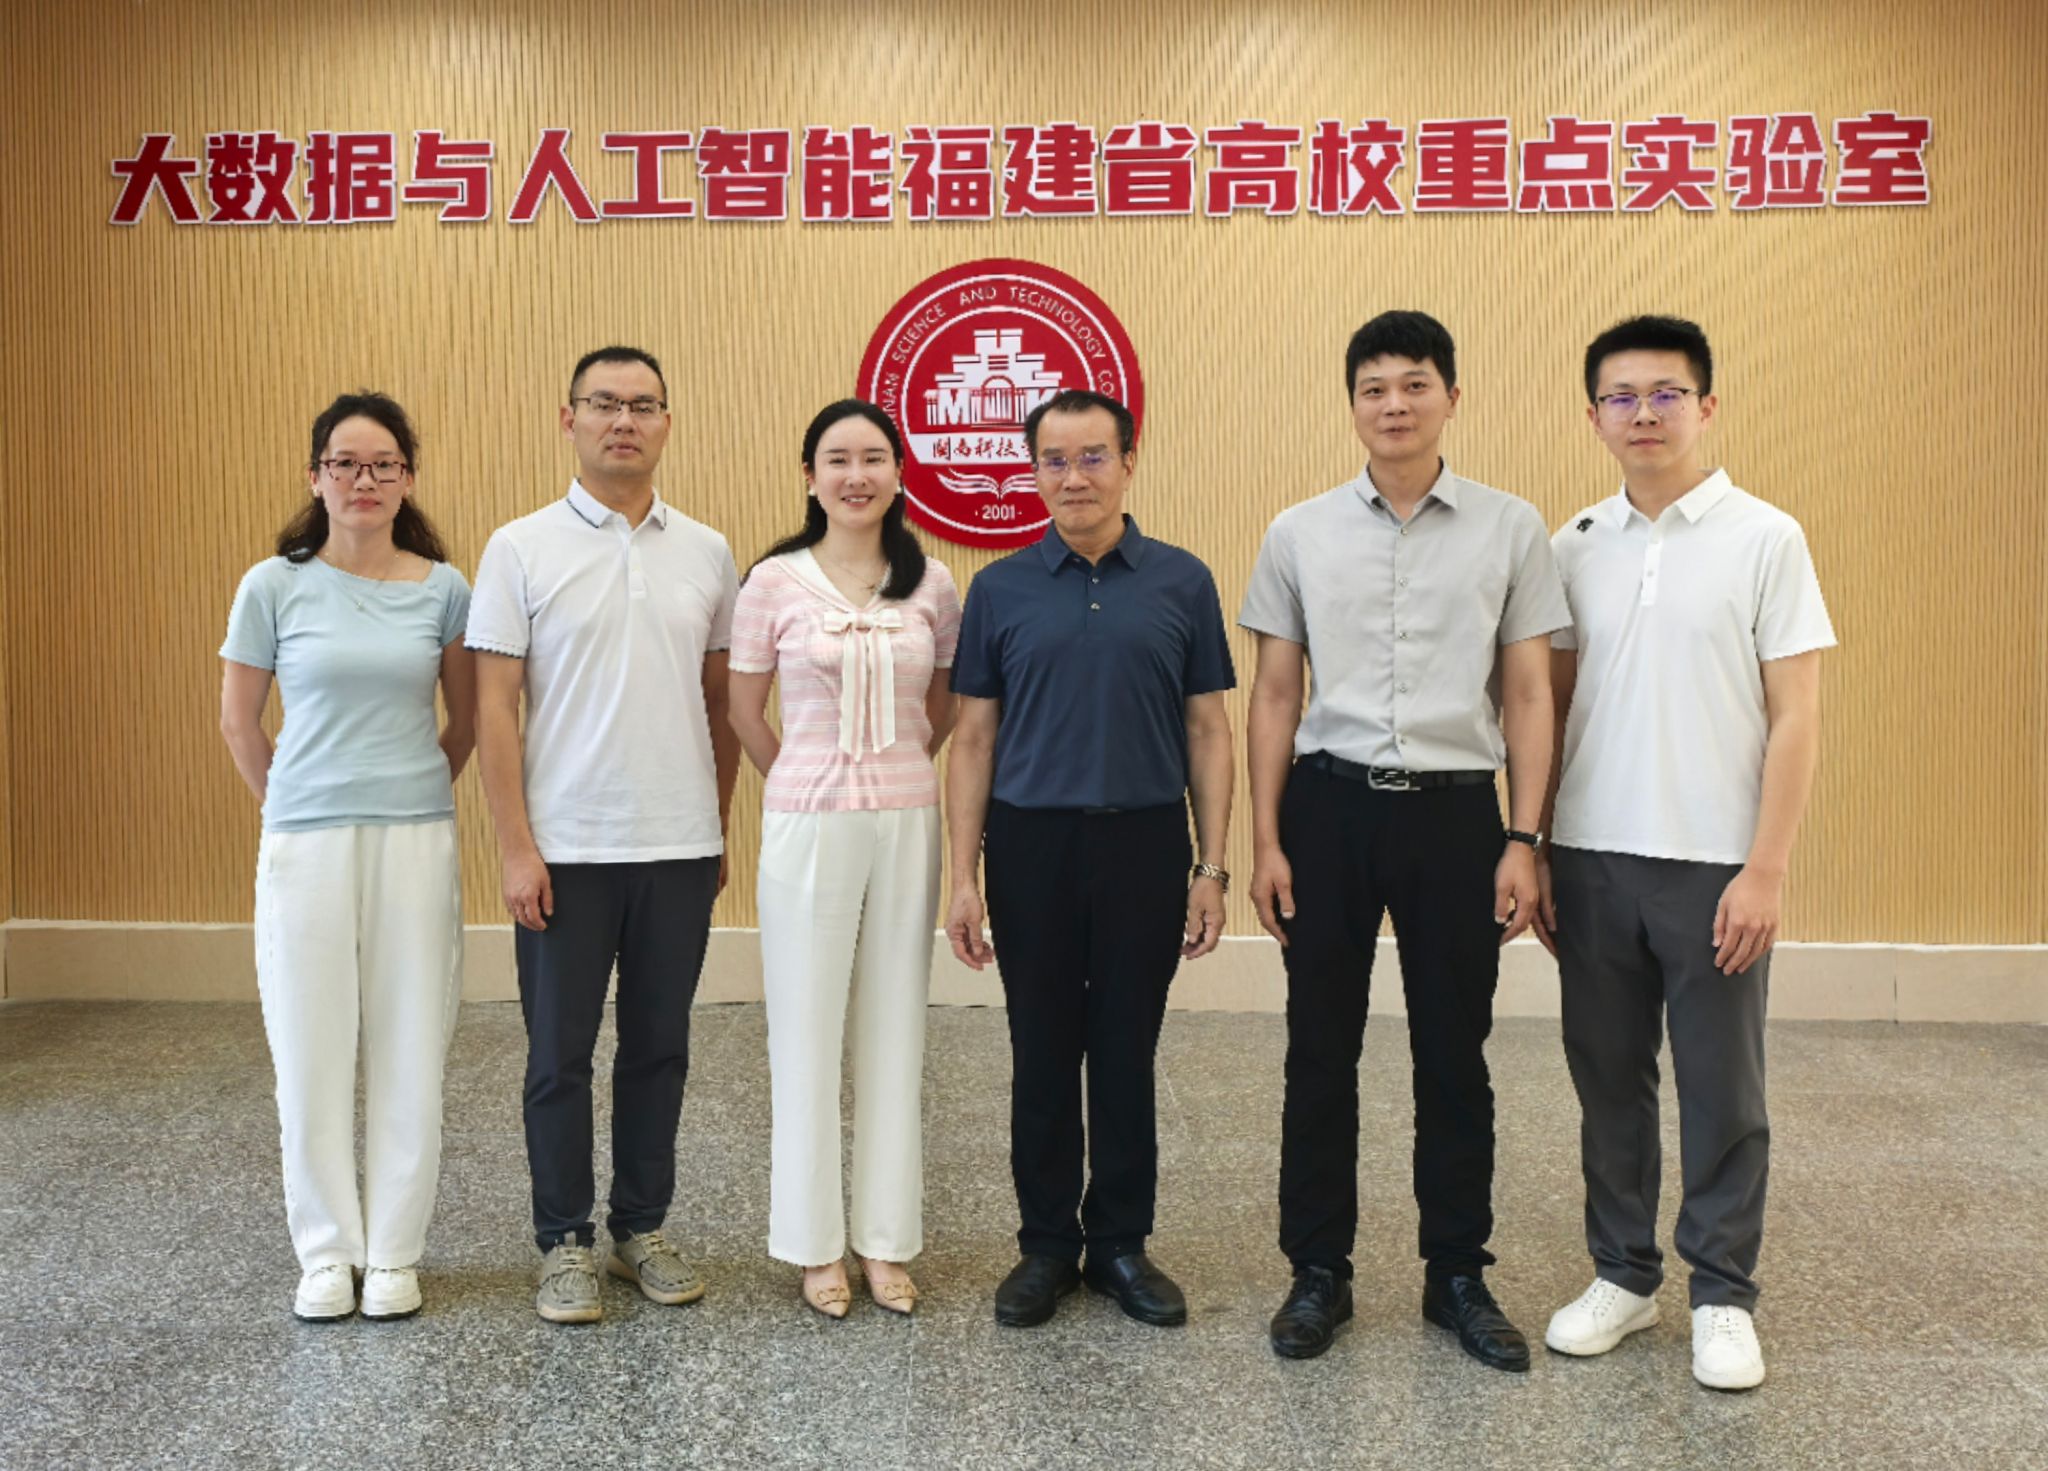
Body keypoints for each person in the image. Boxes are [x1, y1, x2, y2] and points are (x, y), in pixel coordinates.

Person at [1241, 310, 1569, 1365]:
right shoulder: (1297, 531)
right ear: (1352, 405)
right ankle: (1317, 1271)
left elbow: (1529, 691)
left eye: (1415, 384)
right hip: (1327, 809)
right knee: (1318, 1046)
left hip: (1455, 814)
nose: (1394, 404)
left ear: (1451, 397)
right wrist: (1266, 840)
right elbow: (1274, 692)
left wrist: (1523, 836)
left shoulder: (1510, 527)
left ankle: (1456, 1273)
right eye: (1374, 387)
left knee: (1452, 1050)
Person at [1535, 316, 1833, 1392]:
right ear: (1593, 417)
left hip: (1714, 861)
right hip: (1590, 854)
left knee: (1722, 1089)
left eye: (1666, 393)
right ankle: (1623, 1274)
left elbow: (1795, 716)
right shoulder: (1570, 544)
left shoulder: (1766, 537)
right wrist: (1536, 846)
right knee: (1607, 1079)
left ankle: (1721, 1294)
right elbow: (1546, 707)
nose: (1644, 413)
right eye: (1621, 397)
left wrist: (1766, 867)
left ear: (1706, 406)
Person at [945, 389, 1235, 1330]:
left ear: (1128, 462)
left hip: (1145, 840)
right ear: (1034, 472)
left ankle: (1119, 1242)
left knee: (1124, 1046)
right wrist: (962, 875)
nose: (1074, 477)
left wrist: (1211, 865)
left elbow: (1208, 728)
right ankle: (1044, 1244)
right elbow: (974, 738)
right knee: (1040, 1046)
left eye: (1093, 456)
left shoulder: (1183, 581)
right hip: (1029, 842)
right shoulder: (999, 589)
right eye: (1055, 460)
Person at [465, 346, 741, 1324]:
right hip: (567, 849)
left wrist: (716, 827)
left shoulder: (707, 550)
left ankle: (639, 1228)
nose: (623, 420)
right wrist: (514, 846)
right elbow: (493, 708)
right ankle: (563, 1240)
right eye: (603, 403)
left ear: (666, 422)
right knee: (558, 1056)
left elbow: (720, 703)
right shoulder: (519, 547)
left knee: (660, 1047)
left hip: (676, 846)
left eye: (643, 405)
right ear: (568, 418)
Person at [219, 391, 475, 1323]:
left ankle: (396, 1251)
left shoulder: (445, 588)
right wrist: (293, 801)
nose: (364, 480)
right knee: (309, 1048)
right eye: (345, 463)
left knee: (412, 1041)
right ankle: (327, 1251)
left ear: (407, 478)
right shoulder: (272, 585)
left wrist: (409, 785)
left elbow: (467, 720)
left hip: (414, 837)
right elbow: (240, 721)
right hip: (306, 844)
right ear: (316, 475)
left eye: (383, 465)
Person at [727, 400, 961, 1319]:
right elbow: (745, 709)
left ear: (899, 473)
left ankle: (885, 1238)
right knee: (806, 1026)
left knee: (896, 1022)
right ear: (810, 475)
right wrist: (799, 776)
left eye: (873, 458)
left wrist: (899, 763)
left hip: (907, 816)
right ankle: (814, 1242)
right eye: (837, 459)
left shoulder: (932, 582)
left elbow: (942, 702)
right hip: (808, 821)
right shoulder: (772, 581)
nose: (856, 475)